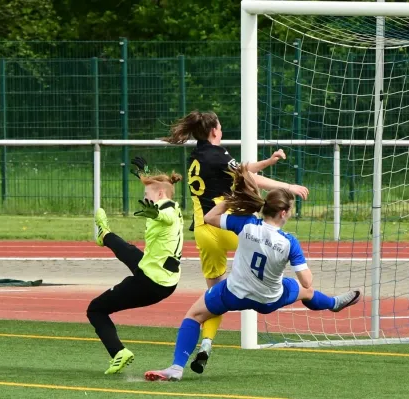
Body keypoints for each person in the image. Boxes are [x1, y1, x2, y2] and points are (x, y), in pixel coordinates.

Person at [144, 164, 360, 382]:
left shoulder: (246, 224)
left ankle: (176, 367)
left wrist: (231, 198)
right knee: (308, 292)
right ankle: (333, 304)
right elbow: (306, 281)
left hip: (234, 294)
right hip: (269, 299)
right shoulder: (289, 242)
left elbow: (209, 218)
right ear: (284, 213)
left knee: (194, 316)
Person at [160, 110, 310, 374]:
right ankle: (269, 290)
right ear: (214, 131)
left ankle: (206, 344)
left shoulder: (196, 156)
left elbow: (244, 169)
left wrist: (268, 161)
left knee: (212, 296)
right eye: (219, 124)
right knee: (267, 242)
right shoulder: (218, 154)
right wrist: (287, 187)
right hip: (225, 222)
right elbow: (248, 177)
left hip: (204, 230)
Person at [87, 169, 184, 374]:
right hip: (164, 276)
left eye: (146, 195)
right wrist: (145, 173)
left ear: (159, 195)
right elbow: (163, 194)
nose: (144, 199)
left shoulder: (164, 212)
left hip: (151, 283)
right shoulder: (174, 206)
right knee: (132, 253)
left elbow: (164, 216)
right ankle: (105, 234)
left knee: (95, 309)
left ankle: (118, 352)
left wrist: (156, 213)